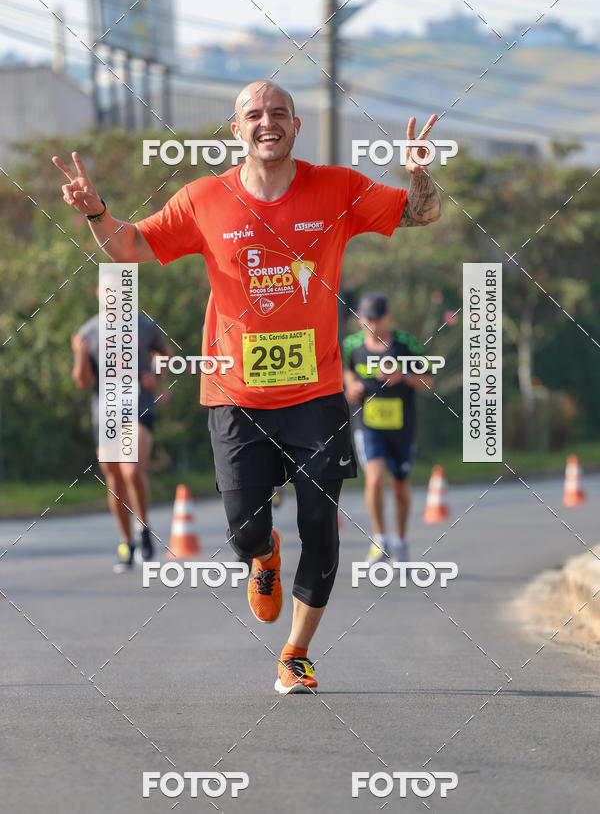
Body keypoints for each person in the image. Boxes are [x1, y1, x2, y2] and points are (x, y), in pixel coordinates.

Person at [53, 80, 442, 693]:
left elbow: (422, 213)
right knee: (243, 528)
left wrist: (419, 174)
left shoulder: (337, 188)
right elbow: (127, 247)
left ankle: (296, 652)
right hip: (236, 397)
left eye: (279, 113)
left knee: (321, 525)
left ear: (296, 126)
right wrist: (96, 211)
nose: (268, 122)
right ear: (237, 130)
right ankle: (263, 557)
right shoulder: (204, 198)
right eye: (254, 114)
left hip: (316, 394)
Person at [72, 303, 172, 572]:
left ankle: (143, 527)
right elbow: (82, 382)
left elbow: (165, 353)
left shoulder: (143, 325)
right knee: (114, 477)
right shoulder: (89, 331)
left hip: (139, 408)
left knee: (132, 469)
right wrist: (80, 355)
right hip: (105, 414)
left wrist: (156, 376)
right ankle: (127, 542)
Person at [343, 293, 433, 565]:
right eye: (366, 319)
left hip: (401, 425)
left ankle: (401, 542)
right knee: (374, 480)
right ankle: (380, 539)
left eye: (376, 318)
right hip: (368, 424)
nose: (371, 324)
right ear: (359, 319)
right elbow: (346, 369)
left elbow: (428, 381)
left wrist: (403, 376)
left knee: (400, 487)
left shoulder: (406, 344)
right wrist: (351, 384)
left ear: (387, 318)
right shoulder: (351, 345)